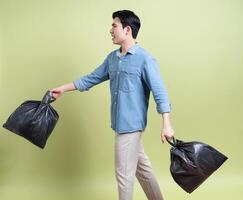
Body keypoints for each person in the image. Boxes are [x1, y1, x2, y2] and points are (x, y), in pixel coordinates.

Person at [50, 10, 175, 200]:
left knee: (124, 177)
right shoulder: (112, 58)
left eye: (114, 26)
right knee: (143, 170)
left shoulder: (145, 59)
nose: (110, 30)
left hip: (131, 126)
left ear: (127, 30)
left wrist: (167, 124)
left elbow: (160, 92)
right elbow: (90, 79)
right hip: (119, 124)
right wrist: (63, 89)